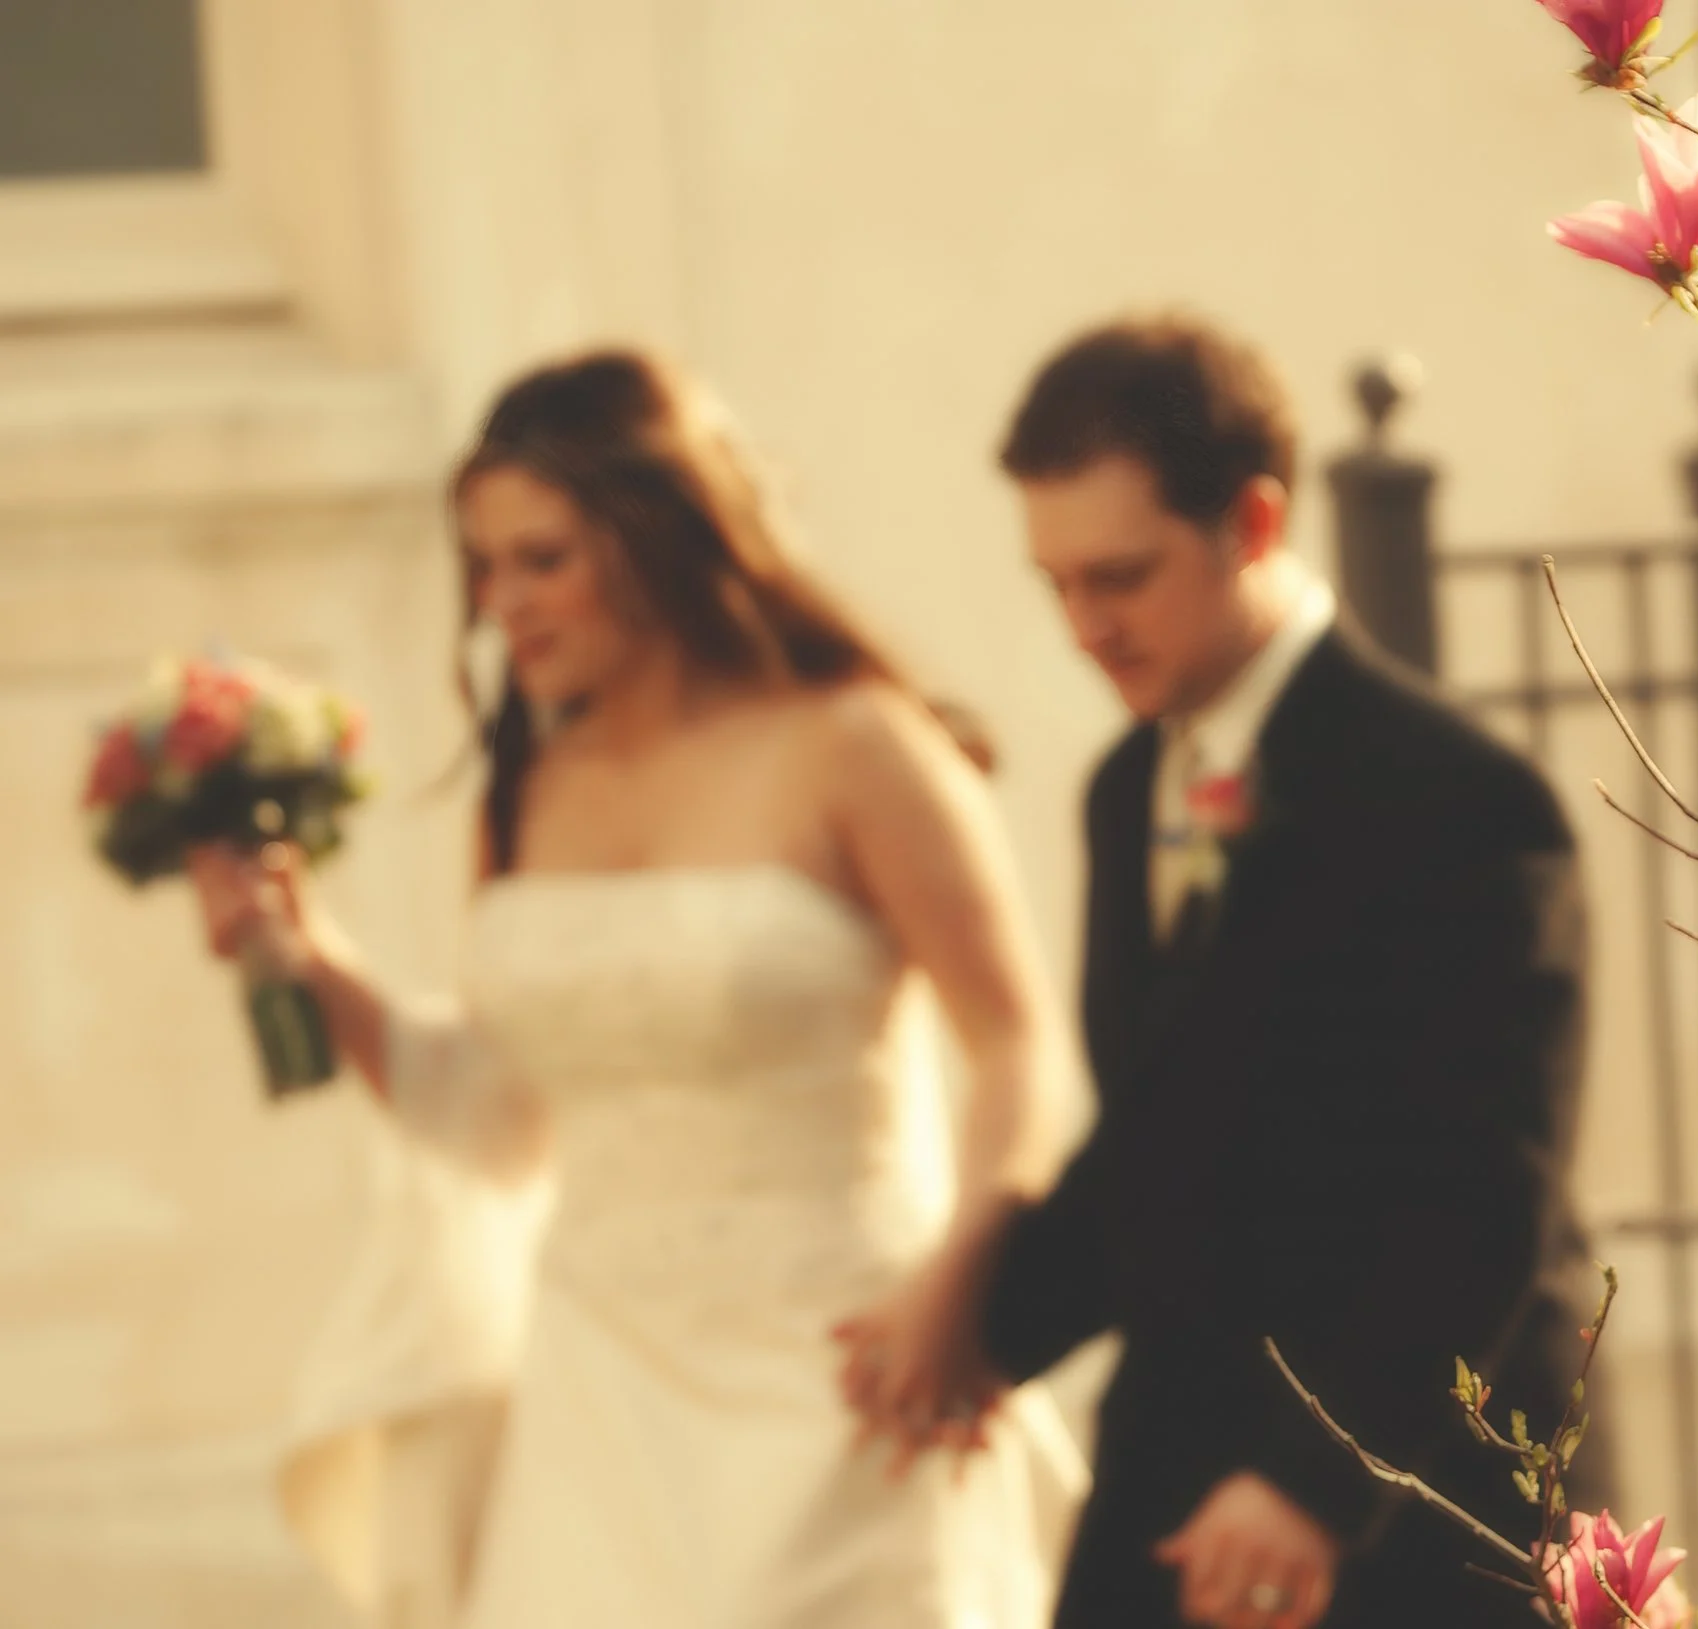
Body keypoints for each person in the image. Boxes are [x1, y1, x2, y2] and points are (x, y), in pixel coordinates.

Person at [186, 348, 1080, 1629]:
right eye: (483, 570)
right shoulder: (527, 790)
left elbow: (1017, 1045)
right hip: (600, 1399)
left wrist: (966, 1277)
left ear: (659, 535)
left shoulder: (857, 745)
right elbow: (495, 1118)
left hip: (849, 1378)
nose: (503, 606)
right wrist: (305, 958)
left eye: (540, 560)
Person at [844, 315, 1601, 1628]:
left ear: (1252, 522)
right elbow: (1162, 1145)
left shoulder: (1464, 801)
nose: (1084, 624)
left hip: (1418, 1493)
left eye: (1120, 577)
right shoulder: (1126, 787)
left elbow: (1489, 1200)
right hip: (1176, 1466)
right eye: (1057, 583)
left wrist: (1316, 1482)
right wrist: (977, 1327)